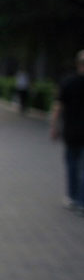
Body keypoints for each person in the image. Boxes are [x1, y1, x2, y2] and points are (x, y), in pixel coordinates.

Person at [50, 50, 84, 212]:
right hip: (75, 132)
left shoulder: (68, 82)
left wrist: (54, 126)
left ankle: (72, 197)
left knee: (72, 165)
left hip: (72, 131)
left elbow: (58, 107)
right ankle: (81, 200)